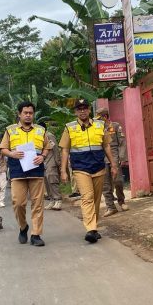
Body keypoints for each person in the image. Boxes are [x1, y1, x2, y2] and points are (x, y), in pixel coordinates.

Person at [60, 99, 117, 244]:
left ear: (89, 110)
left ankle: (94, 227)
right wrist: (63, 170)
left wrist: (113, 164)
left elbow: (106, 146)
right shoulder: (69, 127)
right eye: (79, 109)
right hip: (80, 168)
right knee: (87, 197)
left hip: (98, 167)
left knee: (97, 199)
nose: (82, 111)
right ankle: (90, 229)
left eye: (85, 108)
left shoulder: (99, 125)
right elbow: (65, 150)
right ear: (75, 112)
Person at [0, 101, 53, 247]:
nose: (28, 116)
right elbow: (3, 148)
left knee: (37, 204)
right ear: (19, 114)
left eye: (31, 113)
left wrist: (43, 156)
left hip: (36, 171)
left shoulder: (41, 130)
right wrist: (11, 153)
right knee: (18, 203)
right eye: (25, 113)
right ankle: (23, 227)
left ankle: (36, 234)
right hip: (17, 171)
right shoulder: (10, 130)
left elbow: (47, 147)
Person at [95, 107, 128, 216]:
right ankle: (110, 206)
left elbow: (122, 143)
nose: (97, 120)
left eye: (99, 118)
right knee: (105, 185)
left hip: (114, 156)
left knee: (118, 181)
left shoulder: (115, 126)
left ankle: (121, 201)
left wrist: (121, 157)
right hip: (102, 159)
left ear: (105, 117)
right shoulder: (96, 129)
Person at [43, 126, 62, 210]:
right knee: (46, 182)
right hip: (43, 162)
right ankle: (52, 200)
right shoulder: (38, 136)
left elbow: (55, 149)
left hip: (51, 161)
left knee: (52, 181)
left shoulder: (49, 135)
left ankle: (58, 200)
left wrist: (58, 162)